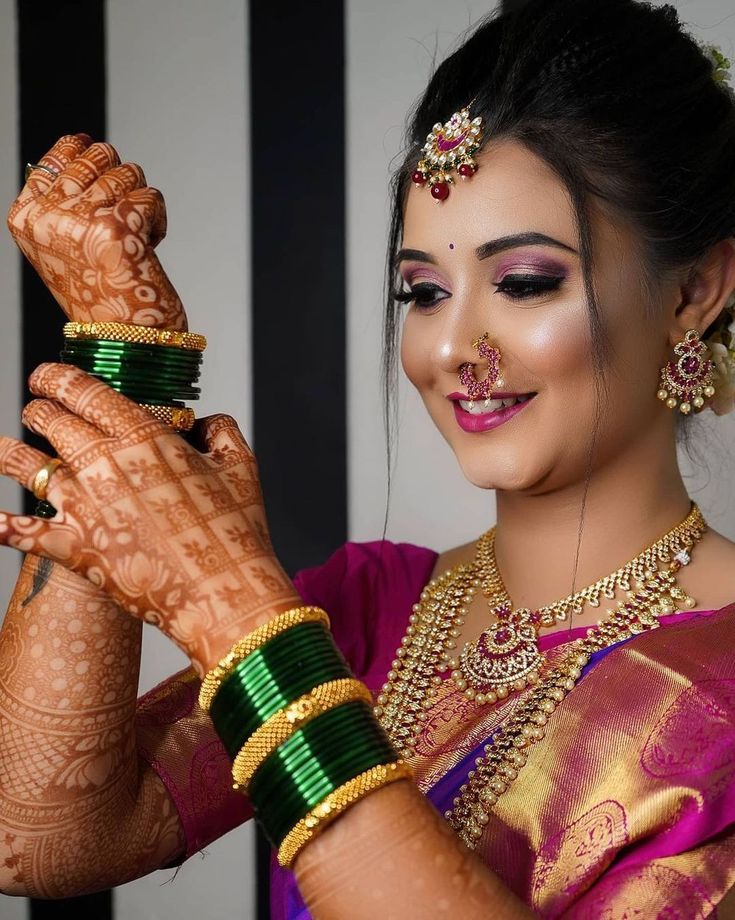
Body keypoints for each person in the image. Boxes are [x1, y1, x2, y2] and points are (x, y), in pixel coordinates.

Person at [1, 0, 735, 915]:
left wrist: (225, 603)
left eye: (524, 282)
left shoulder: (721, 685)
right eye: (422, 292)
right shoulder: (369, 612)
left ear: (694, 289)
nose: (452, 348)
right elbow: (40, 839)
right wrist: (129, 352)